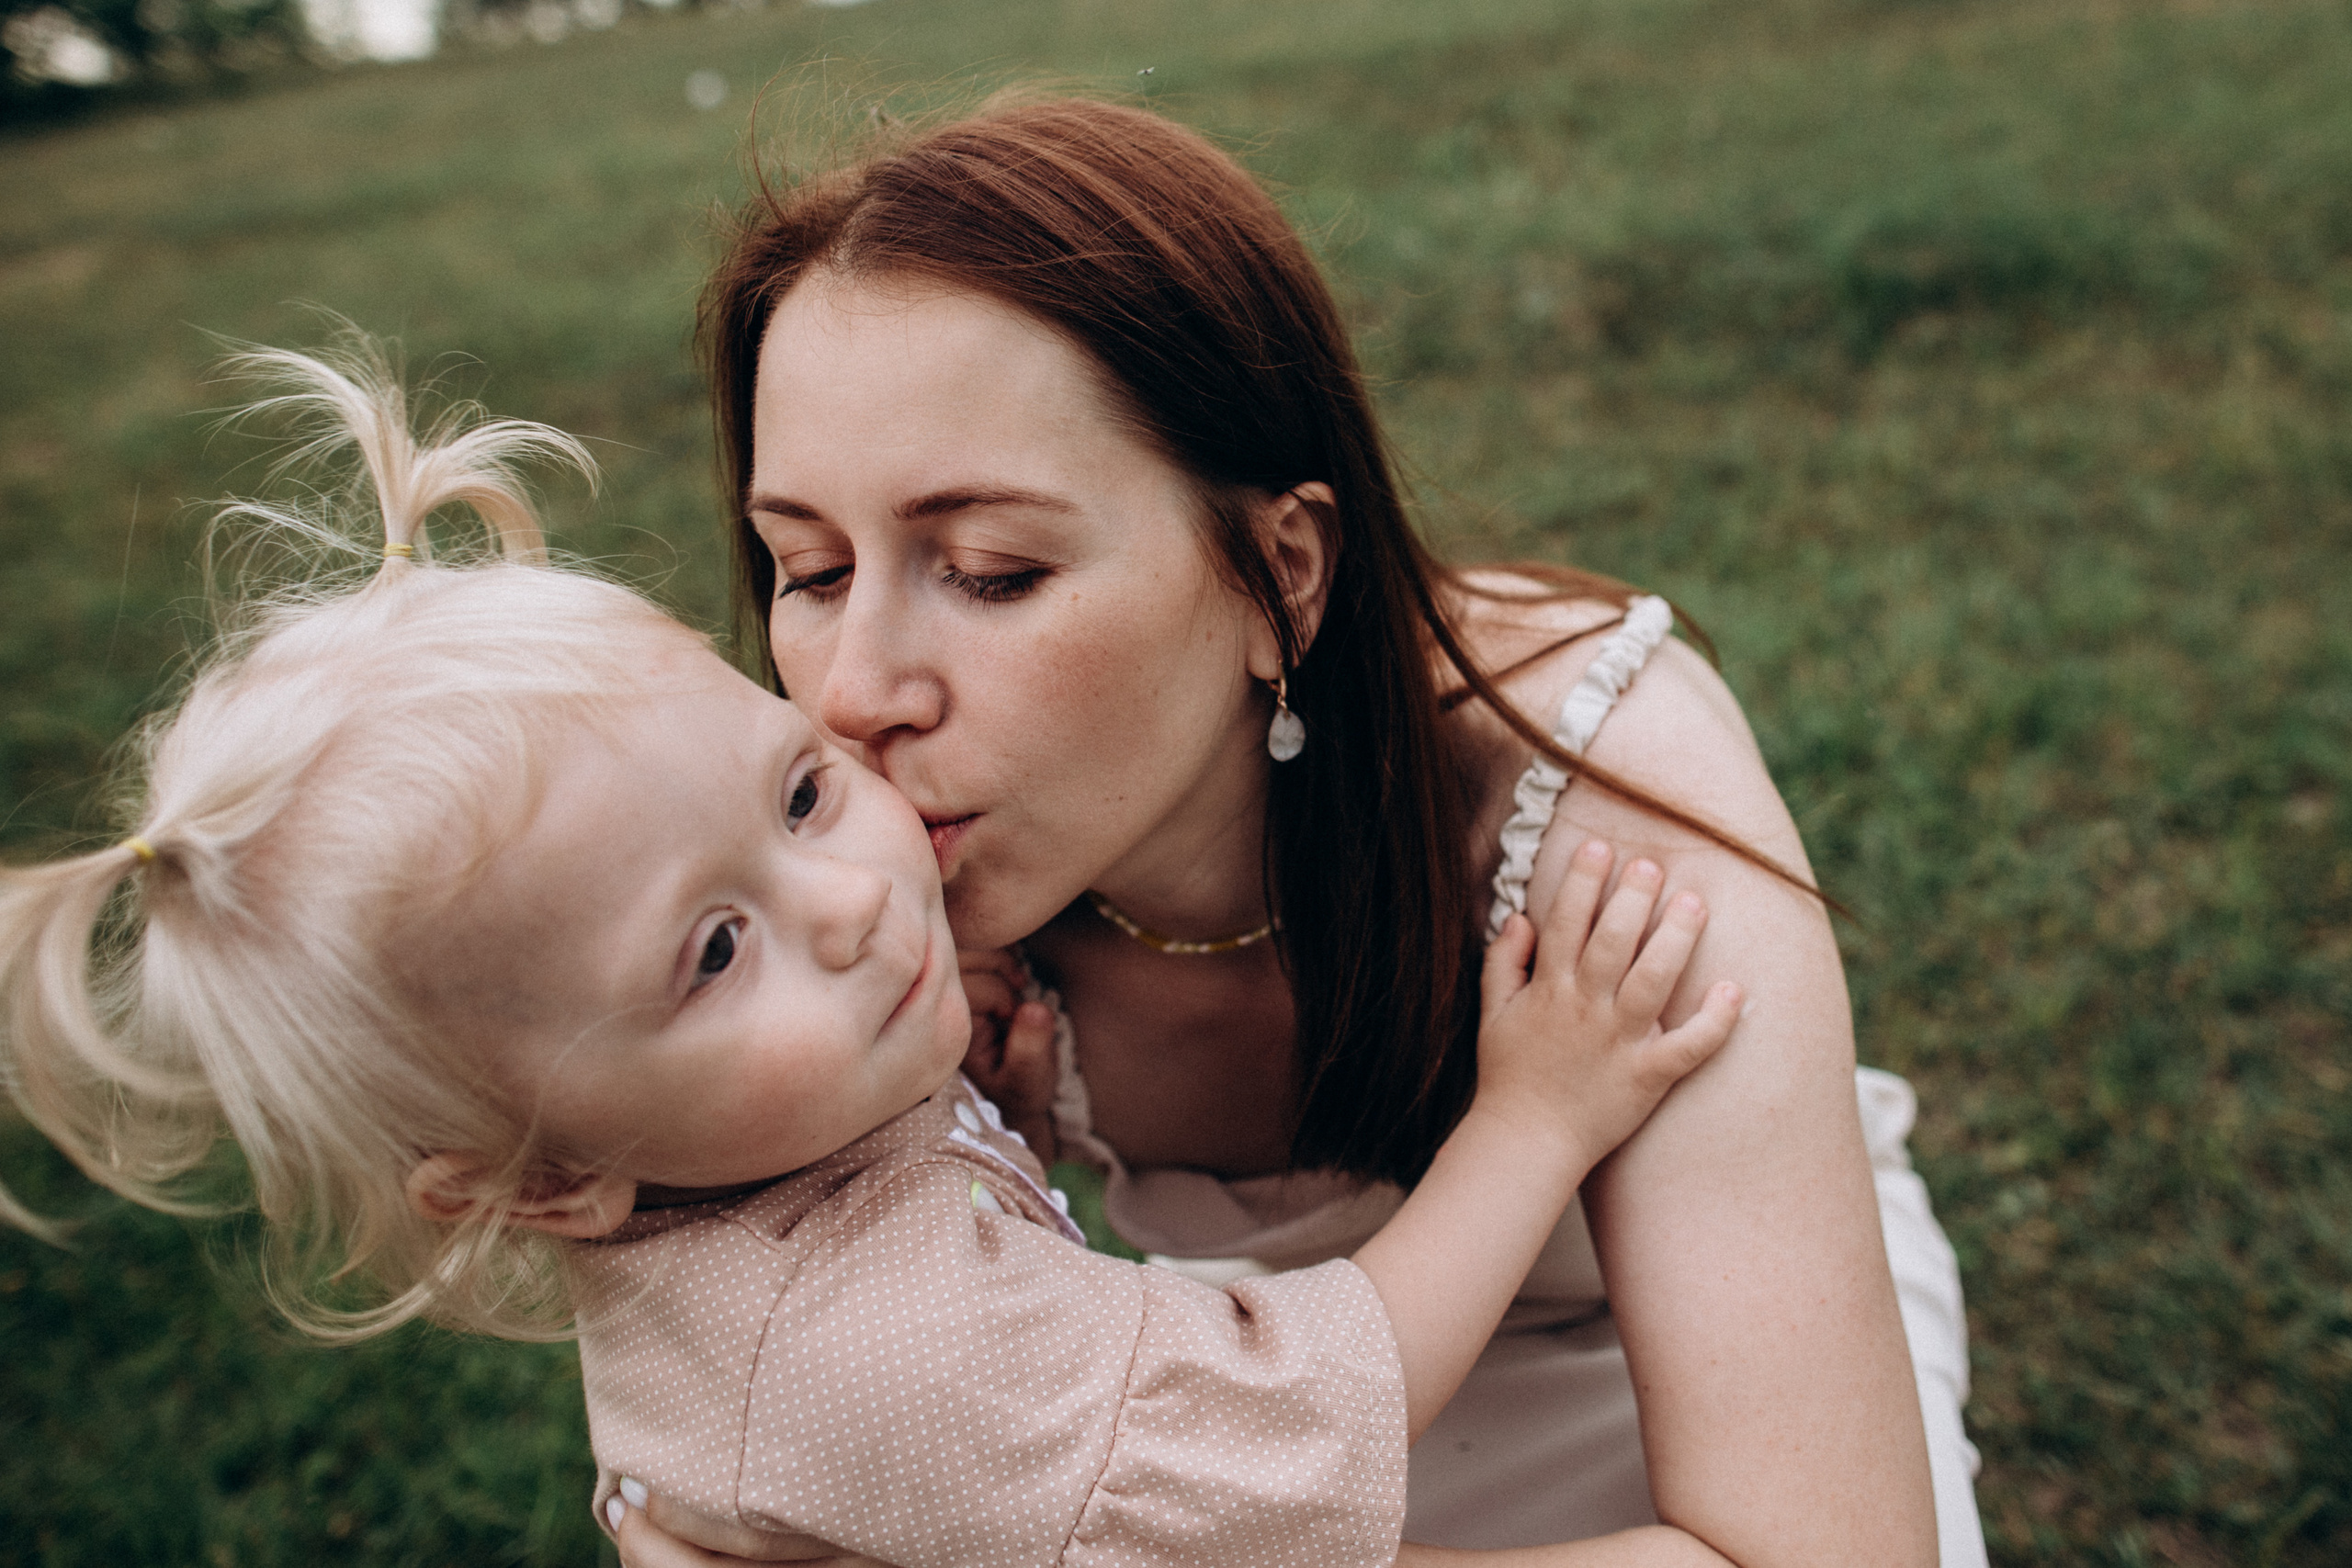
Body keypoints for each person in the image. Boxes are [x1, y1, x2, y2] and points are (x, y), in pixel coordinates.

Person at [0, 342, 1749, 1567]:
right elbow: (1298, 1418)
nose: (845, 899)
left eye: (799, 791)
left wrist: (996, 1121)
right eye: (712, 952)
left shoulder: (752, 1162)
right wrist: (1536, 1117)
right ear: (544, 1184)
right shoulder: (889, 1354)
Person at [634, 93, 1986, 1568]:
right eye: (811, 570)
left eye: (991, 569)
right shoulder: (845, 913)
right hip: (1274, 1409)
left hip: (1698, 1387)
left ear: (1279, 575)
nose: (854, 694)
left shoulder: (1595, 806)